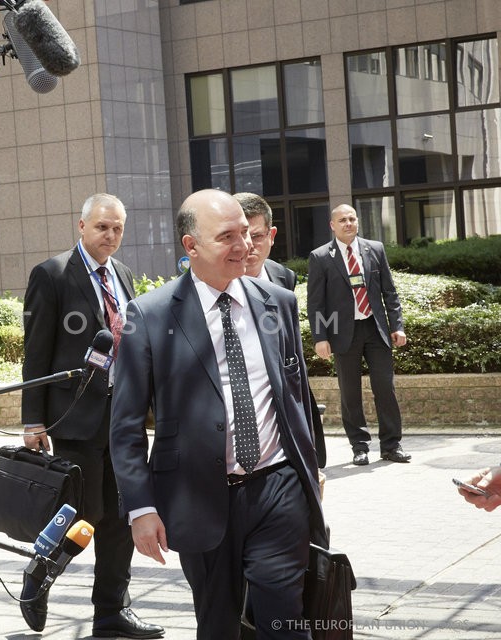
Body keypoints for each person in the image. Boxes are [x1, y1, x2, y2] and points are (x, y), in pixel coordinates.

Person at [110, 189, 327, 640]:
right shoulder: (149, 316)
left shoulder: (278, 302)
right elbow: (126, 425)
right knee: (218, 624)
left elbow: (296, 394)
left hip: (278, 485)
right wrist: (141, 508)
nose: (243, 246)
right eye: (227, 236)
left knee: (285, 619)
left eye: (246, 233)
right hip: (198, 496)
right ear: (191, 246)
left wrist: (313, 468)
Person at [21, 193, 163, 639]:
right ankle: (40, 571)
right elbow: (36, 352)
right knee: (81, 513)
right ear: (81, 226)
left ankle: (111, 612)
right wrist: (33, 419)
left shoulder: (123, 274)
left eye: (118, 228)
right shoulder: (52, 274)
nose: (111, 235)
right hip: (76, 416)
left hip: (125, 417)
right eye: (102, 226)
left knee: (121, 517)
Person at [306, 204, 411, 466]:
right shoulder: (320, 256)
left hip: (375, 329)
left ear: (358, 222)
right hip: (343, 333)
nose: (348, 223)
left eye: (352, 219)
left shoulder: (375, 249)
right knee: (350, 392)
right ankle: (359, 446)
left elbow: (390, 292)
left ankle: (391, 446)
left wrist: (397, 325)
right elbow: (316, 303)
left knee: (385, 388)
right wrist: (320, 337)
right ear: (332, 225)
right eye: (342, 220)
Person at [234, 192, 326, 470]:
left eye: (257, 236)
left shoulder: (283, 277)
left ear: (272, 235)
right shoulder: (214, 283)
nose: (249, 245)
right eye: (241, 235)